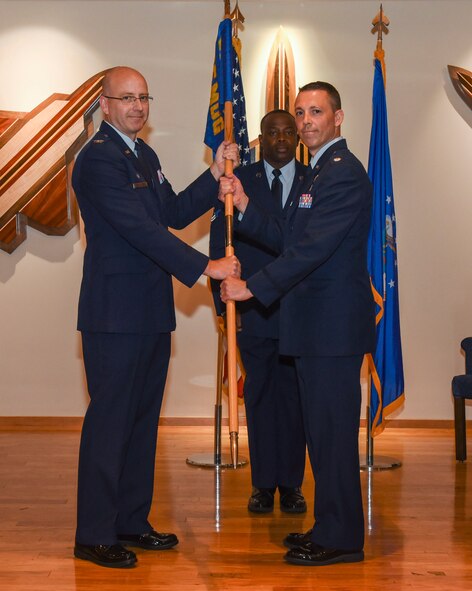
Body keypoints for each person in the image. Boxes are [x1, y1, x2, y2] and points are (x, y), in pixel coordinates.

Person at [72, 66, 240, 569]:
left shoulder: (143, 154)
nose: (137, 106)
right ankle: (94, 533)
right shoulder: (98, 160)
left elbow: (171, 212)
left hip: (149, 313)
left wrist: (213, 177)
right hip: (114, 316)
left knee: (142, 423)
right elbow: (140, 232)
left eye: (144, 97)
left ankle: (130, 520)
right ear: (105, 105)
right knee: (110, 424)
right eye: (126, 98)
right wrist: (204, 266)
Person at [219, 82, 376, 566]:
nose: (306, 120)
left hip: (331, 331)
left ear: (338, 117)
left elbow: (312, 251)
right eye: (301, 111)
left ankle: (341, 538)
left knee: (331, 436)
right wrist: (245, 203)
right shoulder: (316, 174)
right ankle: (329, 526)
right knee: (322, 436)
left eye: (316, 112)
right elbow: (289, 235)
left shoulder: (344, 173)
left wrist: (253, 288)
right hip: (311, 329)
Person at [210, 110, 307, 514]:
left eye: (289, 132)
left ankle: (293, 485)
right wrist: (225, 305)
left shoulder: (312, 178)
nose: (281, 139)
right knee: (263, 399)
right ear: (260, 140)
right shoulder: (240, 180)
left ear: (297, 137)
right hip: (254, 312)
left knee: (297, 401)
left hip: (301, 310)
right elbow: (222, 241)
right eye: (273, 133)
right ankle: (264, 484)